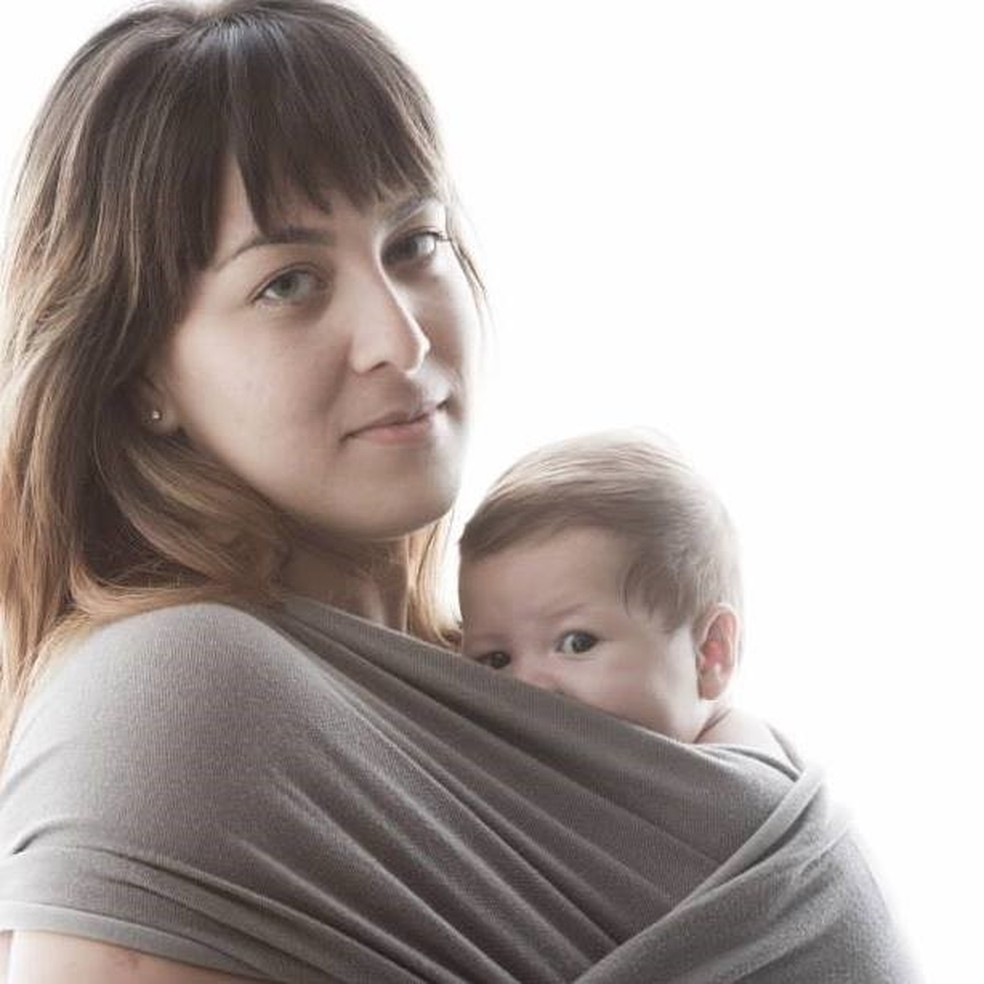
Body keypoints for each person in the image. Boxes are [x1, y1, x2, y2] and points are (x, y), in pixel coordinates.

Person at [0, 2, 917, 982]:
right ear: (141, 374)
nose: (402, 336)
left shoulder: (520, 664)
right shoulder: (167, 699)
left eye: (415, 243)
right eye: (289, 283)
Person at [458, 431, 790, 761]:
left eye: (577, 642)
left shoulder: (724, 792)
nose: (524, 688)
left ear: (709, 652)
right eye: (496, 660)